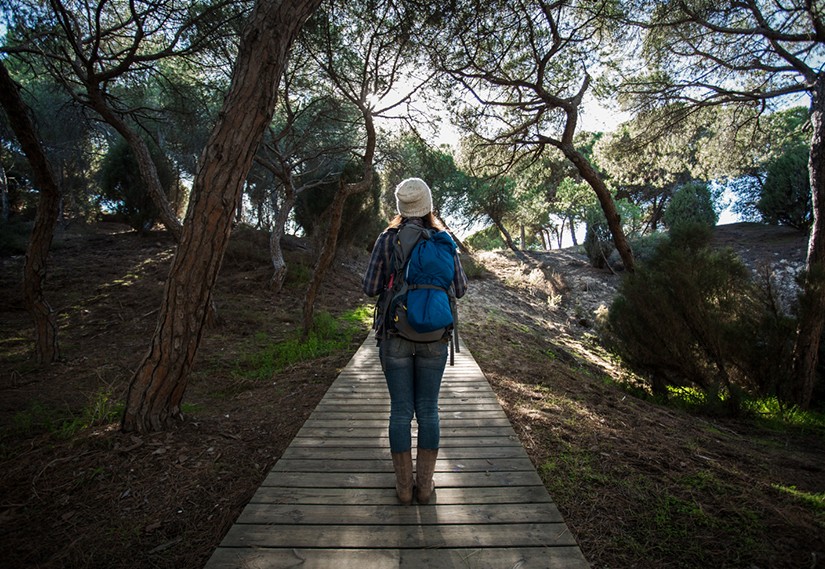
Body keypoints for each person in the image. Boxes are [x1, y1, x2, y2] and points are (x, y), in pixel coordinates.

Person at [363, 177, 468, 506]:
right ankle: (424, 487)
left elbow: (370, 287)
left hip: (394, 335)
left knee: (400, 411)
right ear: (428, 205)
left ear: (401, 206)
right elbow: (461, 288)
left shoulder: (387, 239)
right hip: (435, 338)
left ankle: (404, 488)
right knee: (428, 410)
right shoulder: (443, 240)